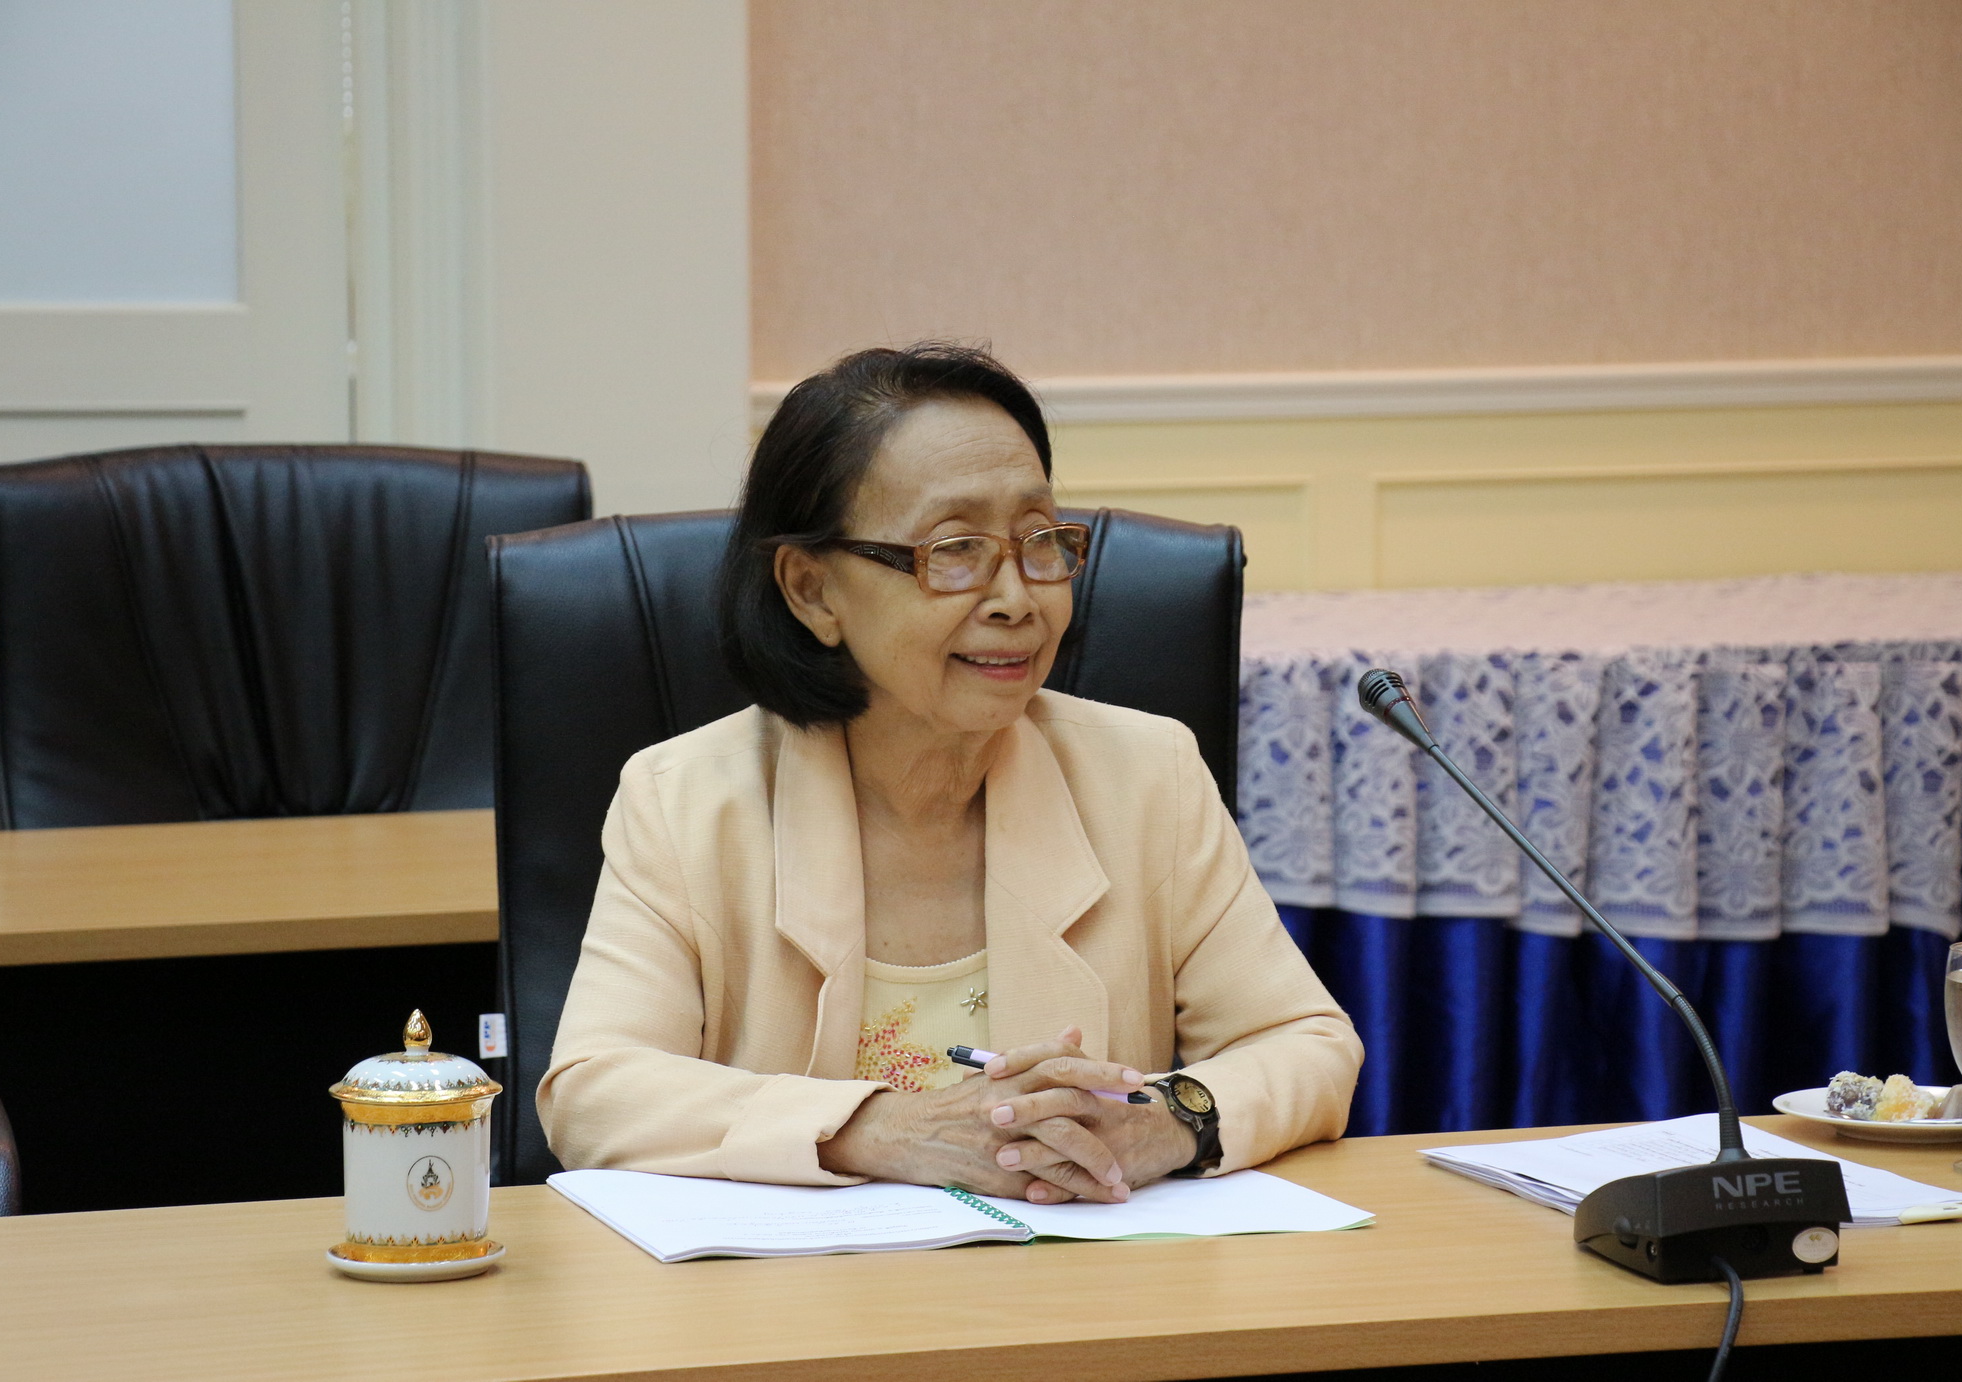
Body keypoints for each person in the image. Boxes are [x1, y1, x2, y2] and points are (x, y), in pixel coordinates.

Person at [540, 343, 1361, 1205]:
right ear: (813, 590)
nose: (1017, 598)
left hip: (1079, 1277)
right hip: (798, 1285)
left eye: (1040, 540)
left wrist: (1166, 1120)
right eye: (957, 549)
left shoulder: (1148, 775)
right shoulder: (684, 802)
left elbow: (1308, 1045)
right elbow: (595, 1092)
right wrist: (883, 1129)